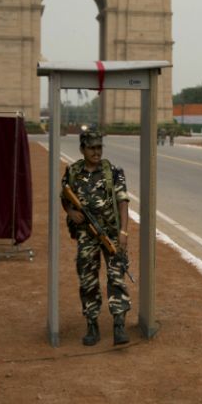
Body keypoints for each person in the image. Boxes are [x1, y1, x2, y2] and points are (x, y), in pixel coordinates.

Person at [61, 131, 132, 346]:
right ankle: (92, 325)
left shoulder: (113, 172)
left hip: (110, 233)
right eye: (92, 148)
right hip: (86, 236)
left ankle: (119, 325)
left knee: (116, 277)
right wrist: (71, 213)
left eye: (99, 147)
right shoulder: (73, 172)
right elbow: (64, 196)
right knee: (88, 279)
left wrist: (123, 232)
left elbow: (123, 202)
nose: (96, 152)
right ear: (82, 149)